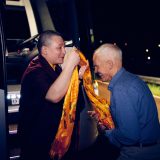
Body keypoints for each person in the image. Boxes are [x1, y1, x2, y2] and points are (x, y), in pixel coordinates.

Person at [17, 30, 86, 160]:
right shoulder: (35, 70)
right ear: (44, 51)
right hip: (37, 141)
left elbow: (69, 97)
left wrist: (78, 78)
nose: (64, 52)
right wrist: (70, 65)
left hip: (52, 138)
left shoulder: (55, 68)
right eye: (59, 48)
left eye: (64, 47)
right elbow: (53, 96)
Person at [88, 43, 160, 160]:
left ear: (110, 64)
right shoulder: (131, 79)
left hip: (138, 153)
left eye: (96, 66)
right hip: (151, 147)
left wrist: (106, 132)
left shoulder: (121, 89)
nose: (95, 70)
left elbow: (129, 136)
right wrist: (105, 117)